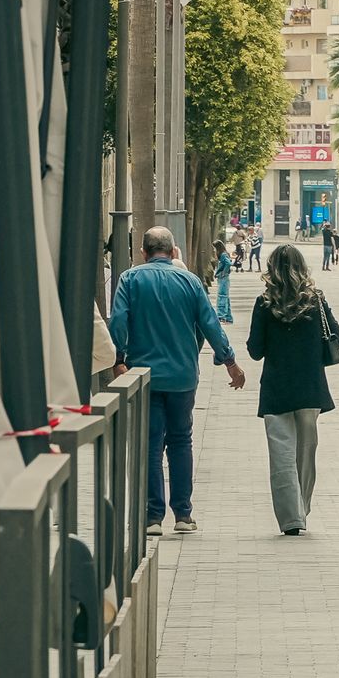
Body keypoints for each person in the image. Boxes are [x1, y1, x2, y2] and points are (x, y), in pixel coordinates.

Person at [109, 227, 247, 536]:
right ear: (173, 253)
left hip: (143, 376)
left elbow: (118, 321)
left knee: (150, 443)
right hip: (183, 376)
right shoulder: (190, 281)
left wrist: (118, 360)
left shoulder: (130, 280)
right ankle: (183, 514)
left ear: (143, 253)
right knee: (181, 441)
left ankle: (152, 516)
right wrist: (230, 362)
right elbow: (210, 323)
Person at [246, 246, 339, 536]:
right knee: (305, 452)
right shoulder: (316, 301)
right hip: (310, 387)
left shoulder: (264, 303)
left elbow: (255, 350)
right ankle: (303, 507)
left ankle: (291, 518)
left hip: (277, 388)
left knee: (281, 454)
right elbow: (338, 336)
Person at [212, 240, 234, 323]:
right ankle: (228, 317)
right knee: (225, 297)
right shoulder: (224, 254)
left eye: (214, 248)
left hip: (223, 279)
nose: (214, 250)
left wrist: (223, 273)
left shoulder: (223, 255)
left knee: (222, 296)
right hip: (223, 278)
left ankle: (221, 316)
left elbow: (228, 263)